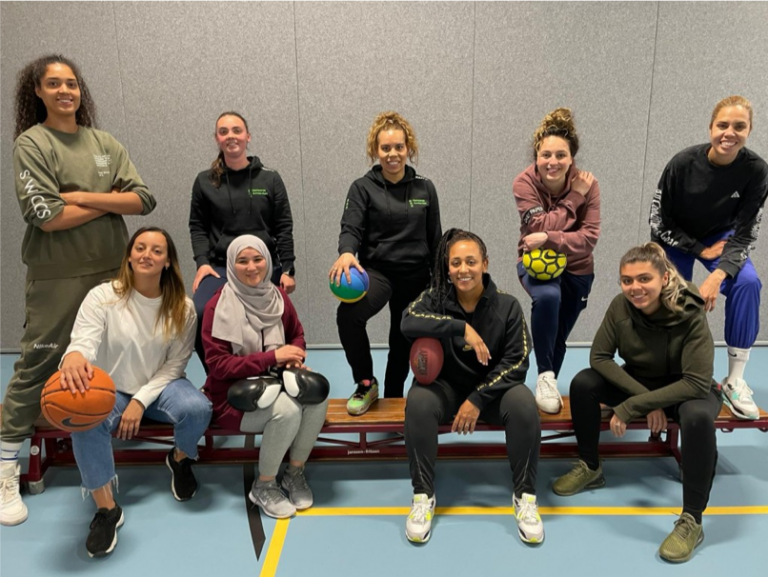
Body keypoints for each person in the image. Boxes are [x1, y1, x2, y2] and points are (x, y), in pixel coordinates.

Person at [0, 54, 156, 527]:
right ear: (37, 91)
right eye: (54, 84)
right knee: (39, 363)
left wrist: (82, 196)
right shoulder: (32, 143)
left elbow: (143, 198)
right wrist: (111, 203)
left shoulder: (103, 143)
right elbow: (47, 216)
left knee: (106, 358)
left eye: (71, 83)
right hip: (58, 276)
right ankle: (5, 467)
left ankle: (99, 455)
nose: (65, 91)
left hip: (111, 270)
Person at [553, 242, 721, 563]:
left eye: (644, 279)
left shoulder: (689, 309)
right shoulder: (621, 307)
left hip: (687, 390)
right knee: (584, 383)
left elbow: (696, 382)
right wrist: (644, 400)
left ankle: (692, 519)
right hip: (642, 383)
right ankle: (590, 466)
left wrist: (633, 406)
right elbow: (599, 357)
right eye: (627, 280)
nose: (635, 288)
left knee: (698, 417)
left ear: (664, 278)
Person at [59, 227, 211, 558]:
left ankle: (179, 459)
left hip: (160, 385)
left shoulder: (182, 307)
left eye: (156, 250)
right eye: (140, 248)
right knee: (85, 420)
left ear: (167, 261)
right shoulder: (103, 296)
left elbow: (175, 364)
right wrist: (74, 356)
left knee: (198, 408)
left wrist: (140, 401)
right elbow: (84, 339)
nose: (147, 255)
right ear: (129, 255)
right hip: (110, 388)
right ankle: (107, 509)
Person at [401, 229, 542, 544]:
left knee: (524, 404)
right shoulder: (435, 299)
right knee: (418, 402)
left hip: (491, 393)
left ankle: (525, 496)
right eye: (455, 263)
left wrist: (478, 398)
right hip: (446, 389)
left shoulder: (507, 306)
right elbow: (407, 321)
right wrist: (460, 327)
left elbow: (518, 361)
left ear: (485, 264)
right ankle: (423, 495)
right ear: (448, 267)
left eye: (471, 261)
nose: (463, 269)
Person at [650, 95, 768, 420]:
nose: (730, 133)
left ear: (749, 130)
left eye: (739, 126)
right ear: (711, 128)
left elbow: (746, 231)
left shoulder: (757, 170)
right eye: (723, 125)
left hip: (722, 237)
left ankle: (735, 379)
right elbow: (658, 221)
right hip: (677, 236)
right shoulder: (682, 164)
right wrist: (699, 250)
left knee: (747, 283)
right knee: (671, 294)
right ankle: (665, 371)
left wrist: (717, 275)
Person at [202, 235, 329, 519]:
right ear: (230, 265)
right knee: (287, 411)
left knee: (317, 398)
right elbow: (219, 366)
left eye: (258, 259)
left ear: (268, 261)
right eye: (242, 261)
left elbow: (297, 334)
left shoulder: (278, 297)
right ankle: (264, 485)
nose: (251, 267)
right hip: (232, 398)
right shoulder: (216, 307)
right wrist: (273, 358)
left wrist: (294, 357)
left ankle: (294, 473)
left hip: (277, 381)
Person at [330, 111, 442, 416]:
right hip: (378, 272)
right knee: (348, 316)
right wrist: (346, 252)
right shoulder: (362, 187)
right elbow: (351, 228)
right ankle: (366, 382)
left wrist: (439, 281)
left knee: (402, 338)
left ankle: (394, 397)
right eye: (386, 148)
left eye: (399, 147)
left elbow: (435, 238)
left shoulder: (425, 188)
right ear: (375, 151)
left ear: (408, 148)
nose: (393, 154)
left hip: (416, 274)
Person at [189, 111, 296, 371]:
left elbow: (283, 226)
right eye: (224, 131)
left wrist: (288, 269)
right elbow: (198, 226)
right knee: (199, 312)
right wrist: (202, 263)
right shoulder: (205, 181)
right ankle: (217, 376)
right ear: (217, 138)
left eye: (237, 130)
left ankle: (272, 372)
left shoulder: (270, 178)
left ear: (248, 136)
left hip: (262, 267)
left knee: (278, 317)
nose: (231, 136)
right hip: (221, 268)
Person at [513, 107, 600, 415]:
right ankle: (545, 375)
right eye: (545, 155)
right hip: (536, 264)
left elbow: (589, 239)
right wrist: (575, 198)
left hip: (578, 267)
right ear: (536, 156)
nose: (553, 162)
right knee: (548, 297)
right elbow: (537, 226)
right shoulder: (524, 183)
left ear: (571, 157)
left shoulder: (589, 183)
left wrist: (548, 237)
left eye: (561, 155)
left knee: (559, 334)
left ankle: (546, 381)